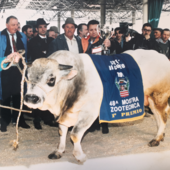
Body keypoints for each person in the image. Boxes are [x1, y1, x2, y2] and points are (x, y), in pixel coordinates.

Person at [0, 16, 30, 132]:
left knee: (19, 94)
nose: (15, 27)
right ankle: (4, 120)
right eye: (13, 25)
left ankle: (19, 119)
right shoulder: (1, 36)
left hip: (19, 70)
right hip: (6, 69)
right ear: (7, 25)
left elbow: (25, 53)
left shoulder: (22, 36)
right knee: (6, 96)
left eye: (17, 25)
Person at [81, 20, 111, 134]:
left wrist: (110, 45)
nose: (94, 32)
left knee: (103, 98)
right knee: (90, 99)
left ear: (99, 30)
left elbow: (114, 49)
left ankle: (104, 124)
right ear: (88, 30)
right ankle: (93, 123)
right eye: (91, 29)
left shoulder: (104, 40)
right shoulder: (83, 41)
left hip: (102, 73)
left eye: (96, 29)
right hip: (88, 73)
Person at [27, 18, 55, 129]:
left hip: (49, 72)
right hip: (38, 72)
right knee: (37, 94)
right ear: (37, 29)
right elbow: (33, 56)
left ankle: (47, 118)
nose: (43, 29)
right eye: (40, 27)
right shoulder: (32, 41)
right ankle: (37, 119)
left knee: (48, 93)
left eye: (45, 27)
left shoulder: (51, 40)